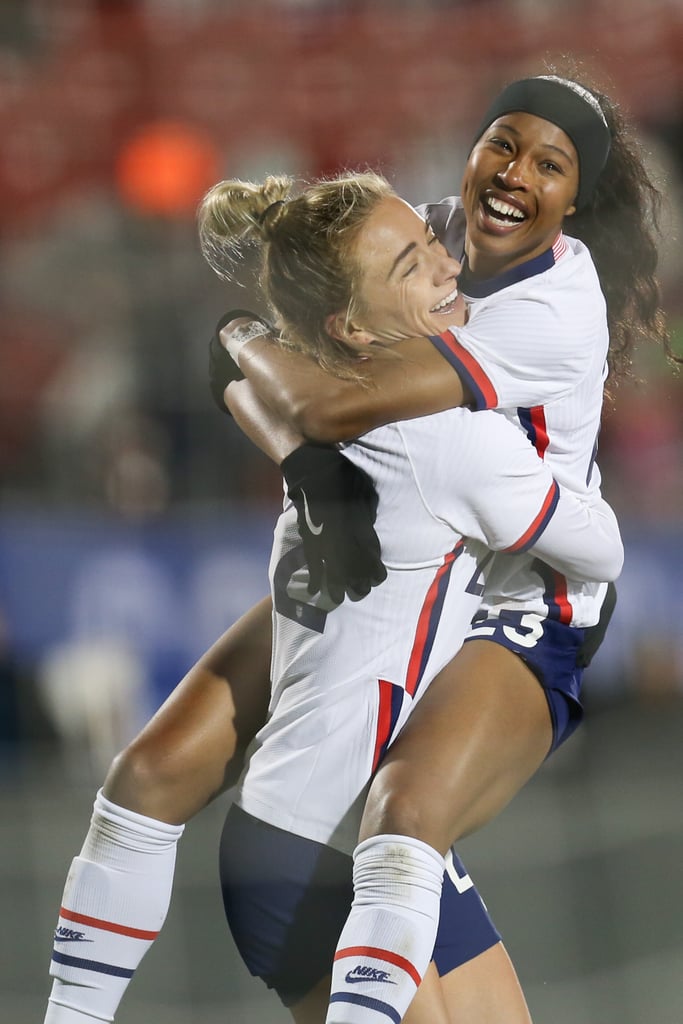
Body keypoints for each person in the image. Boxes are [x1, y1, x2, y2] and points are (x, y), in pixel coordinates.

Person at [41, 70, 664, 1024]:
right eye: (500, 143)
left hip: (512, 604)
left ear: (576, 197)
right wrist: (305, 437)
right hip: (441, 602)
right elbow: (588, 535)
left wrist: (300, 445)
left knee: (171, 777)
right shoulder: (441, 322)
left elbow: (310, 390)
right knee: (402, 818)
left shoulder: (545, 313)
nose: (442, 259)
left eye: (548, 162)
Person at [202, 170, 622, 1024]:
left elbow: (247, 361)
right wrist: (554, 466)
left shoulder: (321, 408)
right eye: (410, 265)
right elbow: (601, 551)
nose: (446, 269)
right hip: (321, 851)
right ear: (352, 327)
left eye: (432, 244)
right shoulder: (453, 443)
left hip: (340, 835)